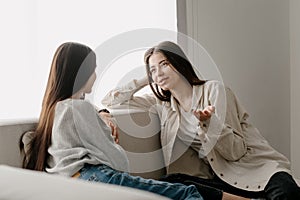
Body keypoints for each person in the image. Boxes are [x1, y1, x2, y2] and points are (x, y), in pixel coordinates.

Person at [102, 41, 300, 200]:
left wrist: (209, 124)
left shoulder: (215, 90)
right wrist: (148, 78)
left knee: (287, 193)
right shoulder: (162, 105)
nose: (159, 73)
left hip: (255, 169)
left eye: (164, 64)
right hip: (220, 180)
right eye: (153, 69)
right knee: (171, 182)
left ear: (179, 63)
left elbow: (235, 151)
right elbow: (112, 99)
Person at [19, 42, 204, 200]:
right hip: (96, 178)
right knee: (188, 192)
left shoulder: (52, 110)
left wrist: (102, 113)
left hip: (71, 183)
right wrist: (112, 141)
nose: (95, 76)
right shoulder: (79, 108)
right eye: (93, 70)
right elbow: (119, 163)